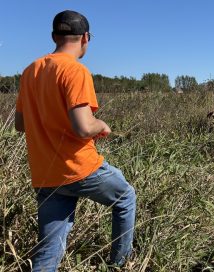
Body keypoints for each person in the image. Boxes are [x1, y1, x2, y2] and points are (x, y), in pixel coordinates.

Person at [14, 10, 136, 271]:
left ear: (53, 36)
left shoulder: (29, 72)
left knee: (47, 253)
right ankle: (120, 263)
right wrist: (102, 125)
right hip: (80, 168)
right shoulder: (75, 71)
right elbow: (83, 127)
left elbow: (20, 125)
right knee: (125, 197)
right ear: (85, 38)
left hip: (46, 174)